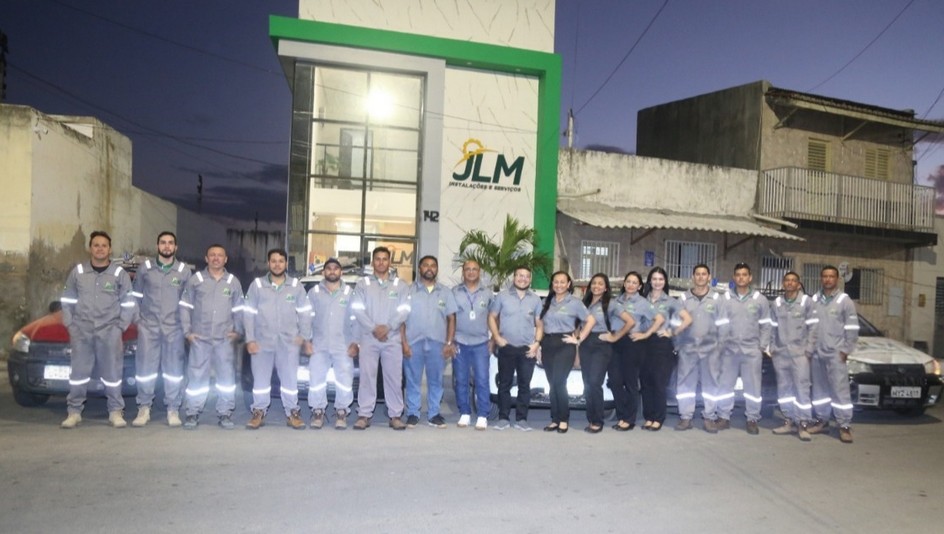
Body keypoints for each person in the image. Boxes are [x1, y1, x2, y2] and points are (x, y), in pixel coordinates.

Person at [60, 231, 137, 429]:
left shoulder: (119, 274)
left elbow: (129, 303)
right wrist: (70, 325)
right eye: (96, 245)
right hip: (82, 331)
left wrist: (120, 326)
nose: (100, 249)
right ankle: (74, 412)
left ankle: (115, 411)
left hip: (110, 331)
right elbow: (67, 300)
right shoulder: (78, 272)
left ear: (110, 249)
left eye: (104, 245)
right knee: (78, 374)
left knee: (112, 374)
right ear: (90, 248)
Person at [243, 248, 312, 430]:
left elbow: (305, 313)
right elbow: (248, 313)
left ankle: (292, 412)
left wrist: (303, 336)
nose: (277, 264)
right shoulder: (257, 285)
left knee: (290, 381)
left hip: (288, 343)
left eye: (281, 261)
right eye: (273, 261)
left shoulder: (296, 286)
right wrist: (250, 339)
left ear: (286, 264)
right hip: (261, 342)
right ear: (268, 263)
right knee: (260, 381)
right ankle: (258, 412)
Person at [129, 231, 191, 428]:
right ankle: (144, 408)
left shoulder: (183, 271)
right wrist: (138, 320)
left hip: (174, 328)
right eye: (163, 243)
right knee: (145, 369)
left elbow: (188, 302)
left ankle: (173, 408)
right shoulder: (145, 269)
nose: (166, 246)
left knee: (173, 371)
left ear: (176, 247)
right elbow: (135, 296)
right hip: (149, 327)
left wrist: (186, 326)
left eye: (170, 243)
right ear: (157, 246)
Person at [179, 244, 243, 430]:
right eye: (212, 255)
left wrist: (238, 331)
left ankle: (225, 413)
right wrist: (187, 332)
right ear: (206, 259)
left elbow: (240, 309)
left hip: (224, 339)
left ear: (225, 259)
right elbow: (185, 307)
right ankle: (192, 412)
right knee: (197, 376)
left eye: (220, 255)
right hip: (200, 338)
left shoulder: (233, 282)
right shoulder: (196, 280)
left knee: (226, 377)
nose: (216, 258)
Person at [350, 246, 411, 431]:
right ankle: (364, 415)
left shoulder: (400, 285)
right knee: (367, 377)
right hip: (369, 338)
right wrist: (374, 329)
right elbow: (358, 309)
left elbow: (404, 310)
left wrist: (388, 327)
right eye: (378, 259)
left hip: (392, 339)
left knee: (394, 378)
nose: (381, 262)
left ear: (389, 262)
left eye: (385, 259)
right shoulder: (363, 284)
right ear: (372, 262)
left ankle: (395, 415)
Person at [401, 255, 458, 428]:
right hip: (413, 342)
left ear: (437, 269)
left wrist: (449, 343)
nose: (429, 268)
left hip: (437, 344)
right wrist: (403, 343)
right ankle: (413, 413)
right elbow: (401, 320)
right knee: (413, 380)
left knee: (436, 380)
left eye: (433, 265)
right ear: (419, 269)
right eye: (425, 265)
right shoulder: (408, 291)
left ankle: (434, 414)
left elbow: (452, 319)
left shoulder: (445, 292)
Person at [537, 271, 595, 434]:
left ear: (568, 284)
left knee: (559, 382)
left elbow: (590, 320)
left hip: (564, 344)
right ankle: (555, 419)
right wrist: (538, 344)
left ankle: (563, 419)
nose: (559, 285)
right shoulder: (546, 302)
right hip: (548, 344)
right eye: (556, 282)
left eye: (562, 282)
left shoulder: (575, 303)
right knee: (552, 383)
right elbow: (540, 325)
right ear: (552, 284)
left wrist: (579, 338)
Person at [717, 263, 771, 434]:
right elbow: (720, 324)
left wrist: (761, 347)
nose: (741, 277)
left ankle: (752, 419)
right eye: (738, 275)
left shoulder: (760, 299)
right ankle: (724, 417)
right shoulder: (725, 298)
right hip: (729, 350)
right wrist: (721, 345)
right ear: (734, 277)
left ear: (750, 277)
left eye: (744, 274)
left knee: (753, 388)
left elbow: (766, 325)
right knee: (725, 386)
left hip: (751, 350)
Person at [304, 258, 358, 430]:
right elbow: (306, 318)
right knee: (316, 380)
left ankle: (342, 412)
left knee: (344, 380)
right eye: (329, 268)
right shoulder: (314, 293)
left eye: (336, 268)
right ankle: (318, 411)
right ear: (324, 272)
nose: (332, 271)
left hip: (343, 346)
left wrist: (356, 342)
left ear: (341, 272)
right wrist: (306, 340)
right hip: (319, 345)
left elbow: (357, 320)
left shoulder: (350, 293)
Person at [488, 266, 543, 431]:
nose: (523, 279)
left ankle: (521, 419)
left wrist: (537, 343)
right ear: (514, 277)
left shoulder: (535, 300)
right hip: (507, 347)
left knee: (524, 385)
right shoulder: (502, 296)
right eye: (520, 275)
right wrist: (497, 337)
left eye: (526, 276)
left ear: (530, 279)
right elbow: (492, 317)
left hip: (527, 349)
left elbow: (540, 323)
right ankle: (503, 418)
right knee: (504, 384)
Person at [674, 264, 728, 433]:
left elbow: (723, 325)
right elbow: (675, 323)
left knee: (711, 384)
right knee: (685, 384)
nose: (700, 277)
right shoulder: (683, 299)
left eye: (704, 274)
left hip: (711, 350)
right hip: (688, 349)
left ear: (709, 277)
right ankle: (686, 417)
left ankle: (709, 417)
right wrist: (677, 345)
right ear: (693, 277)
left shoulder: (717, 299)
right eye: (697, 274)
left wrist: (720, 347)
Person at [808, 265, 858, 443]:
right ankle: (822, 420)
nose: (828, 279)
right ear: (821, 278)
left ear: (837, 279)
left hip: (836, 354)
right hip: (816, 354)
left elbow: (852, 328)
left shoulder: (845, 301)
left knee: (840, 391)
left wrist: (846, 350)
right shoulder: (814, 300)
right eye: (825, 276)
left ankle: (844, 425)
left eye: (831, 276)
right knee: (819, 390)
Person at [608, 271, 663, 431]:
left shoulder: (643, 303)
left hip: (633, 344)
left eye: (634, 282)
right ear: (624, 283)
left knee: (630, 382)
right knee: (615, 381)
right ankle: (622, 414)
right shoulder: (615, 301)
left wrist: (645, 334)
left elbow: (659, 319)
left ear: (639, 286)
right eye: (628, 281)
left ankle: (629, 419)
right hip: (615, 341)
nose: (631, 285)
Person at [581, 273, 634, 433]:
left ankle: (598, 421)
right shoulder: (584, 303)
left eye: (600, 284)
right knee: (587, 383)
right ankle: (591, 418)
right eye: (594, 283)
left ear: (605, 288)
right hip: (585, 344)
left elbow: (630, 321)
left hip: (601, 344)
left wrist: (615, 336)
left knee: (595, 382)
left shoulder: (611, 303)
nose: (596, 286)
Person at [640, 266, 691, 431]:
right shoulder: (642, 300)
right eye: (654, 279)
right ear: (649, 281)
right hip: (643, 343)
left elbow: (687, 319)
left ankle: (658, 418)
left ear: (665, 282)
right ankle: (648, 416)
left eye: (660, 279)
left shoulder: (671, 302)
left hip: (662, 345)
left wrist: (671, 332)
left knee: (658, 382)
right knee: (646, 382)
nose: (657, 282)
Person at [769, 271, 817, 441]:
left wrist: (809, 349)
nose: (790, 283)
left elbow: (813, 328)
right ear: (783, 283)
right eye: (787, 280)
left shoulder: (806, 302)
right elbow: (772, 327)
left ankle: (803, 424)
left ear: (798, 283)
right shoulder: (777, 303)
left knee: (802, 388)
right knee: (784, 389)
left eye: (793, 280)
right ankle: (789, 420)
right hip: (781, 353)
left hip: (800, 354)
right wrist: (772, 347)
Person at [452, 260, 493, 430]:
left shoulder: (488, 293)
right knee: (461, 380)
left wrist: (493, 339)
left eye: (474, 269)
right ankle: (465, 413)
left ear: (479, 272)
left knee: (482, 380)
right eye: (467, 269)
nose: (471, 272)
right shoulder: (454, 292)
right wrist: (450, 341)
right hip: (459, 342)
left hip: (481, 343)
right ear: (463, 272)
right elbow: (450, 318)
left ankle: (483, 415)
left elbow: (493, 317)